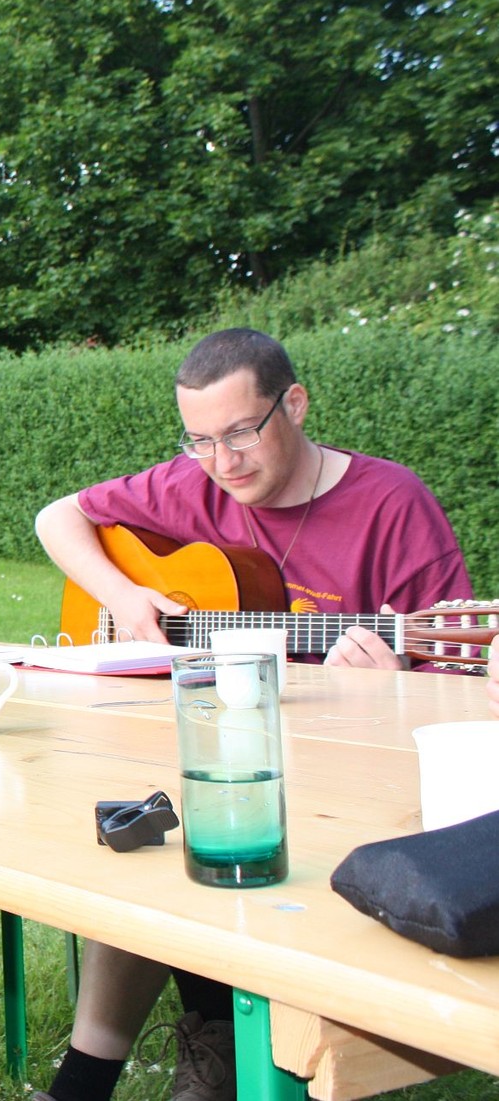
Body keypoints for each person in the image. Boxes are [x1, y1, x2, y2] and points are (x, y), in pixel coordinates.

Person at [31, 328, 472, 1101]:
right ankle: (89, 1077)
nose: (222, 462)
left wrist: (391, 679)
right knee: (136, 816)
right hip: (212, 746)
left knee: (210, 814)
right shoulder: (191, 483)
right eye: (199, 439)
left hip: (345, 775)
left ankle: (224, 1038)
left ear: (292, 404)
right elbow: (56, 517)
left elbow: (463, 685)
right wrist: (124, 596)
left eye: (240, 432)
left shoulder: (391, 503)